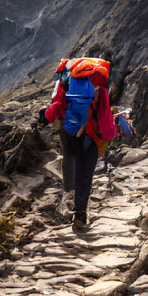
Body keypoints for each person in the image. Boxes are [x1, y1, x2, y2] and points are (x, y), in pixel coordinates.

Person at [41, 58, 118, 231]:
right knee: (86, 173)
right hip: (90, 135)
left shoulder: (65, 82)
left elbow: (56, 106)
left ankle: (68, 196)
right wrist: (109, 134)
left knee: (70, 162)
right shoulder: (99, 85)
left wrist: (47, 117)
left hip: (70, 132)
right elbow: (105, 114)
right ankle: (80, 214)